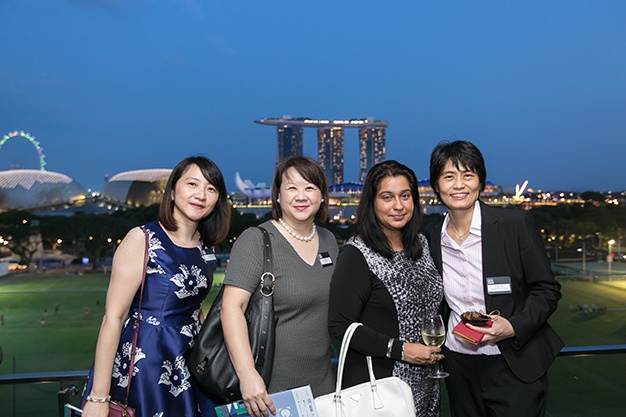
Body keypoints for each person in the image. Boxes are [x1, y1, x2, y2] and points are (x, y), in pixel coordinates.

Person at [82, 156, 231, 417]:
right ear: (172, 191)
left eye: (211, 188)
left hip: (190, 363)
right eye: (192, 184)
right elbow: (113, 318)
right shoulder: (142, 238)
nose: (201, 195)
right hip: (146, 363)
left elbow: (196, 308)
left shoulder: (204, 247)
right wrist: (98, 397)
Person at [423, 140, 564, 417]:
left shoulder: (514, 225)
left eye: (468, 175)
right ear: (437, 185)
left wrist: (512, 326)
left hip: (513, 361)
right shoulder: (429, 235)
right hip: (458, 365)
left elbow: (547, 289)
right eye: (449, 177)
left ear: (481, 181)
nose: (459, 185)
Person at [221, 155, 338, 417]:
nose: (301, 196)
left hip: (323, 385)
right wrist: (247, 375)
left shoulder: (329, 240)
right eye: (292, 187)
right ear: (277, 195)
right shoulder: (255, 240)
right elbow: (231, 308)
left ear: (322, 196)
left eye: (310, 188)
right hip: (269, 390)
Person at [328, 160, 444, 416]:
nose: (398, 205)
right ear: (372, 202)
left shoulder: (422, 245)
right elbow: (339, 325)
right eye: (387, 197)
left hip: (427, 384)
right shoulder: (357, 254)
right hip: (380, 389)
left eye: (405, 195)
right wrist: (400, 350)